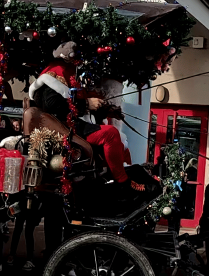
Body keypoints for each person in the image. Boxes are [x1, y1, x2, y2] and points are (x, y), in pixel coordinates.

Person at [28, 42, 142, 191]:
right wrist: (86, 104)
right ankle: (122, 183)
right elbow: (53, 105)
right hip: (64, 129)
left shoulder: (67, 73)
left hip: (75, 125)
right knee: (110, 134)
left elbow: (76, 105)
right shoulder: (52, 76)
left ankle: (117, 175)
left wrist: (106, 111)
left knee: (120, 140)